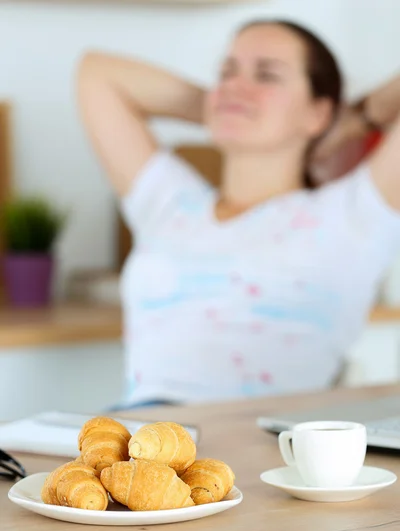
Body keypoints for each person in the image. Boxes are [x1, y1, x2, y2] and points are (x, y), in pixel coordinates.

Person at [77, 20, 400, 408]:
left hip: (265, 445)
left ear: (319, 111)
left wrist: (354, 121)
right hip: (145, 440)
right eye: (226, 72)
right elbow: (95, 73)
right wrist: (228, 108)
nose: (232, 85)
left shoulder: (354, 214)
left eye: (267, 75)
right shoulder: (170, 204)